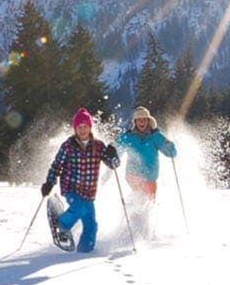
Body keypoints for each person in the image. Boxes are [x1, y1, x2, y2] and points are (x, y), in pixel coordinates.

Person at [40, 107, 119, 253]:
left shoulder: (98, 146)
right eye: (79, 127)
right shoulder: (68, 146)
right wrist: (50, 182)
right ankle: (61, 224)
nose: (82, 130)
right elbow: (57, 165)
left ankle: (83, 252)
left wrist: (113, 155)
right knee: (78, 208)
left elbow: (113, 164)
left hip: (89, 192)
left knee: (91, 225)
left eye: (85, 126)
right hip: (71, 187)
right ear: (75, 129)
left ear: (90, 127)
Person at [116, 106, 178, 201]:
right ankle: (133, 208)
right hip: (133, 174)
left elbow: (172, 153)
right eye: (139, 120)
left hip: (150, 177)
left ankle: (136, 209)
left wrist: (170, 147)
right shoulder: (128, 136)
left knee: (148, 201)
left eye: (144, 119)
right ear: (135, 122)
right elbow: (117, 149)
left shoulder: (155, 136)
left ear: (148, 121)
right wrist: (112, 155)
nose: (142, 122)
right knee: (141, 197)